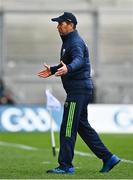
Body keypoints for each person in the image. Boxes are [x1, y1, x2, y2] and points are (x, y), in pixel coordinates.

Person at [38, 12, 120, 174]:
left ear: (70, 24)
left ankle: (65, 165)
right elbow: (70, 62)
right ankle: (108, 158)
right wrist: (54, 70)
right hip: (80, 89)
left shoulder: (75, 42)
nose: (58, 27)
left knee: (67, 127)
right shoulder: (69, 41)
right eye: (57, 24)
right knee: (82, 127)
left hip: (78, 90)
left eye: (60, 24)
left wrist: (68, 68)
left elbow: (78, 60)